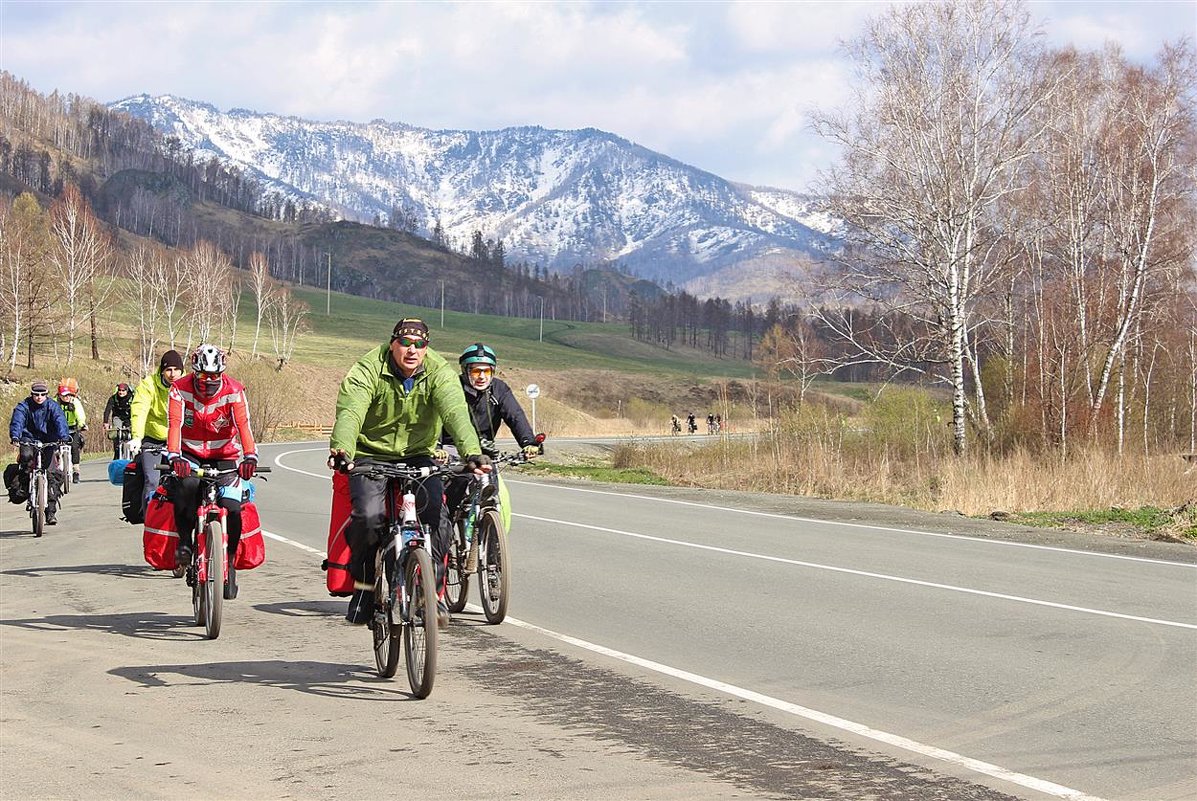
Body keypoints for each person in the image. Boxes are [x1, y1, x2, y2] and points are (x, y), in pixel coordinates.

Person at [328, 318, 489, 627]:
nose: (412, 350)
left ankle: (433, 595)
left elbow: (455, 412)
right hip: (369, 455)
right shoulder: (368, 368)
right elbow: (351, 411)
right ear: (393, 344)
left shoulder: (439, 373)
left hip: (419, 456)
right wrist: (342, 449)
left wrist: (471, 452)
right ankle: (363, 587)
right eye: (405, 343)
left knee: (436, 520)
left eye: (420, 344)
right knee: (368, 517)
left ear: (426, 348)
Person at [164, 344, 259, 600]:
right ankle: (185, 542)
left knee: (233, 507)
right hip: (190, 455)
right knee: (186, 488)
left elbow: (244, 425)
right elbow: (175, 425)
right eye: (203, 377)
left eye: (214, 377)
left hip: (226, 456)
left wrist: (250, 456)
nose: (209, 382)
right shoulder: (179, 389)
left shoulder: (235, 390)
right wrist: (175, 456)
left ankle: (227, 562)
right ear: (194, 373)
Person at [440, 342, 540, 519]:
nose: (481, 377)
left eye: (486, 371)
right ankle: (445, 531)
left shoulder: (499, 389)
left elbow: (515, 415)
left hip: (484, 452)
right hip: (451, 448)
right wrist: (437, 448)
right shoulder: (451, 387)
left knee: (496, 494)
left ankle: (493, 540)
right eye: (476, 371)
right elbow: (436, 419)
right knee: (457, 488)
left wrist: (529, 443)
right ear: (465, 370)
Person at [128, 349, 185, 516]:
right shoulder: (149, 385)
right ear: (162, 371)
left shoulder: (189, 385)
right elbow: (140, 410)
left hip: (179, 439)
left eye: (176, 370)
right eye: (168, 369)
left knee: (185, 481)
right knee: (152, 481)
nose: (172, 374)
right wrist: (137, 437)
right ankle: (150, 521)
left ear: (182, 371)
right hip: (152, 439)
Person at [8, 380, 70, 525]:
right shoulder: (24, 406)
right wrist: (15, 436)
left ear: (47, 395)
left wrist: (63, 437)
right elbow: (17, 420)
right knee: (26, 457)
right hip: (28, 438)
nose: (39, 397)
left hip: (49, 441)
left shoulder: (53, 406)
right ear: (32, 394)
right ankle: (24, 485)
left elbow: (60, 420)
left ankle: (50, 512)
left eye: (42, 394)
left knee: (51, 474)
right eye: (36, 394)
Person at [56, 378, 87, 484]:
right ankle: (56, 469)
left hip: (72, 428)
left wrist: (82, 424)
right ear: (59, 395)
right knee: (53, 447)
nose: (67, 397)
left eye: (68, 395)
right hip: (58, 429)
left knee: (75, 447)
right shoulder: (55, 403)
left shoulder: (75, 402)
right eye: (64, 395)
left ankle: (76, 471)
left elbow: (80, 414)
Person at [103, 382, 134, 460]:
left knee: (129, 433)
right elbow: (107, 410)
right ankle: (117, 452)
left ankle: (130, 451)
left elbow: (138, 409)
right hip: (118, 417)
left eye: (123, 391)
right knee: (116, 433)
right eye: (119, 390)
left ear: (127, 391)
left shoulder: (132, 398)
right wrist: (105, 422)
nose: (121, 392)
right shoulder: (113, 398)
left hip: (129, 417)